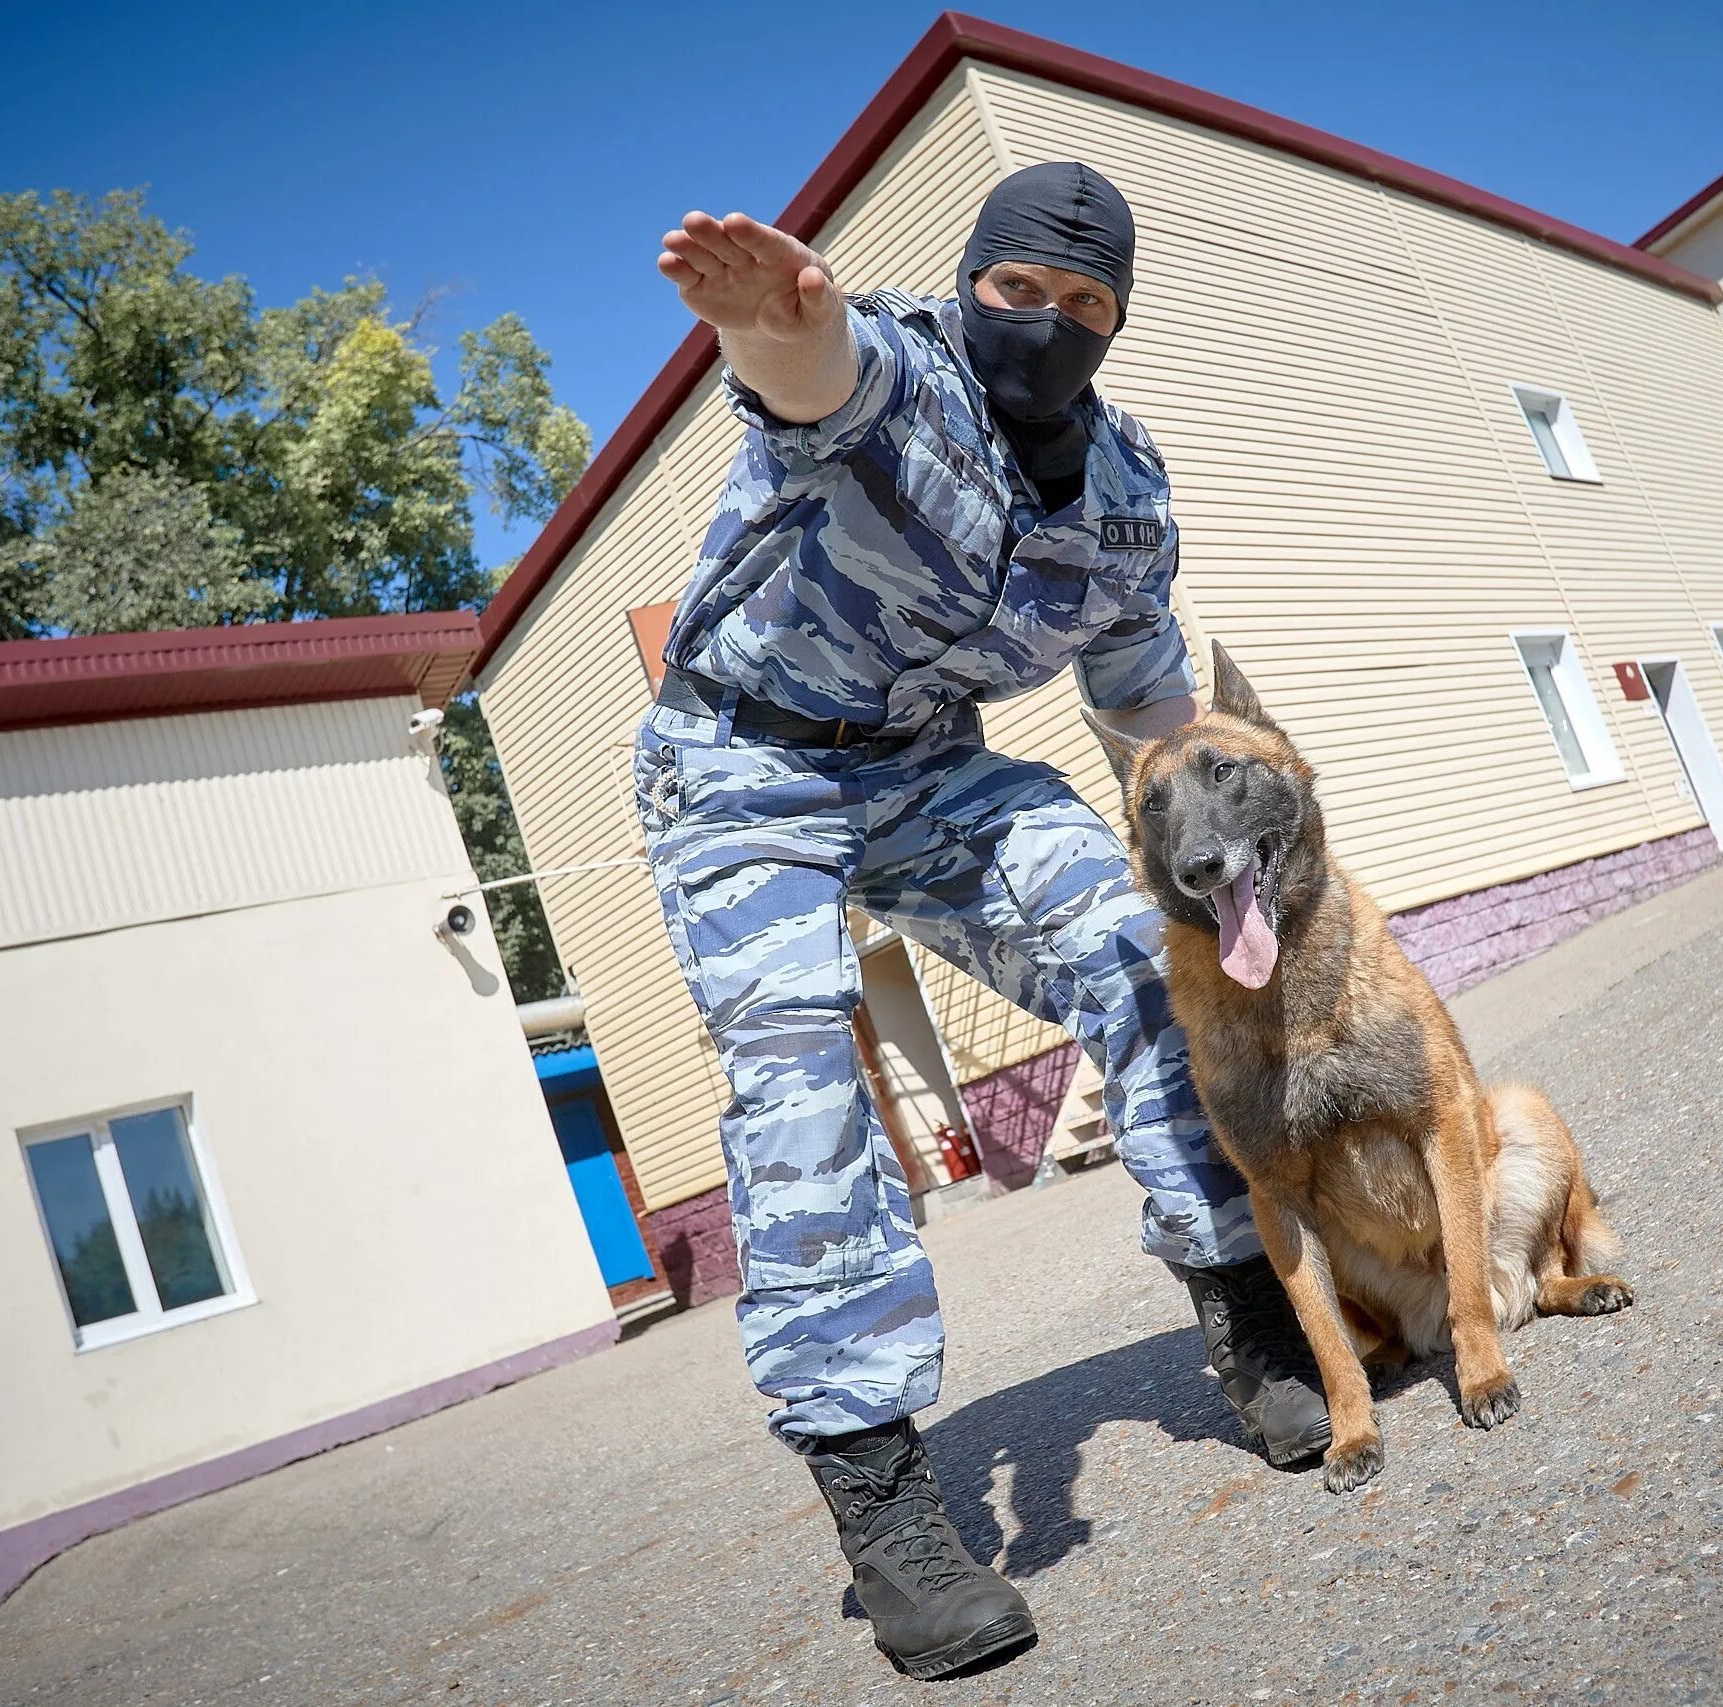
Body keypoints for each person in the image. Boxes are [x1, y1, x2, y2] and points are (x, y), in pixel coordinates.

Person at [636, 163, 1328, 1679]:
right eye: (1019, 292)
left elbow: (1144, 704)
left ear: (1118, 319)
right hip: (743, 764)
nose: (1048, 324)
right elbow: (816, 375)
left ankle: (1247, 1313)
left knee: (1147, 965)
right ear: (973, 284)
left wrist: (1220, 856)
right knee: (801, 1077)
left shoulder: (1129, 491)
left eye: (1086, 306)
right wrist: (770, 327)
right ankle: (880, 1499)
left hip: (929, 770)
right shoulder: (898, 368)